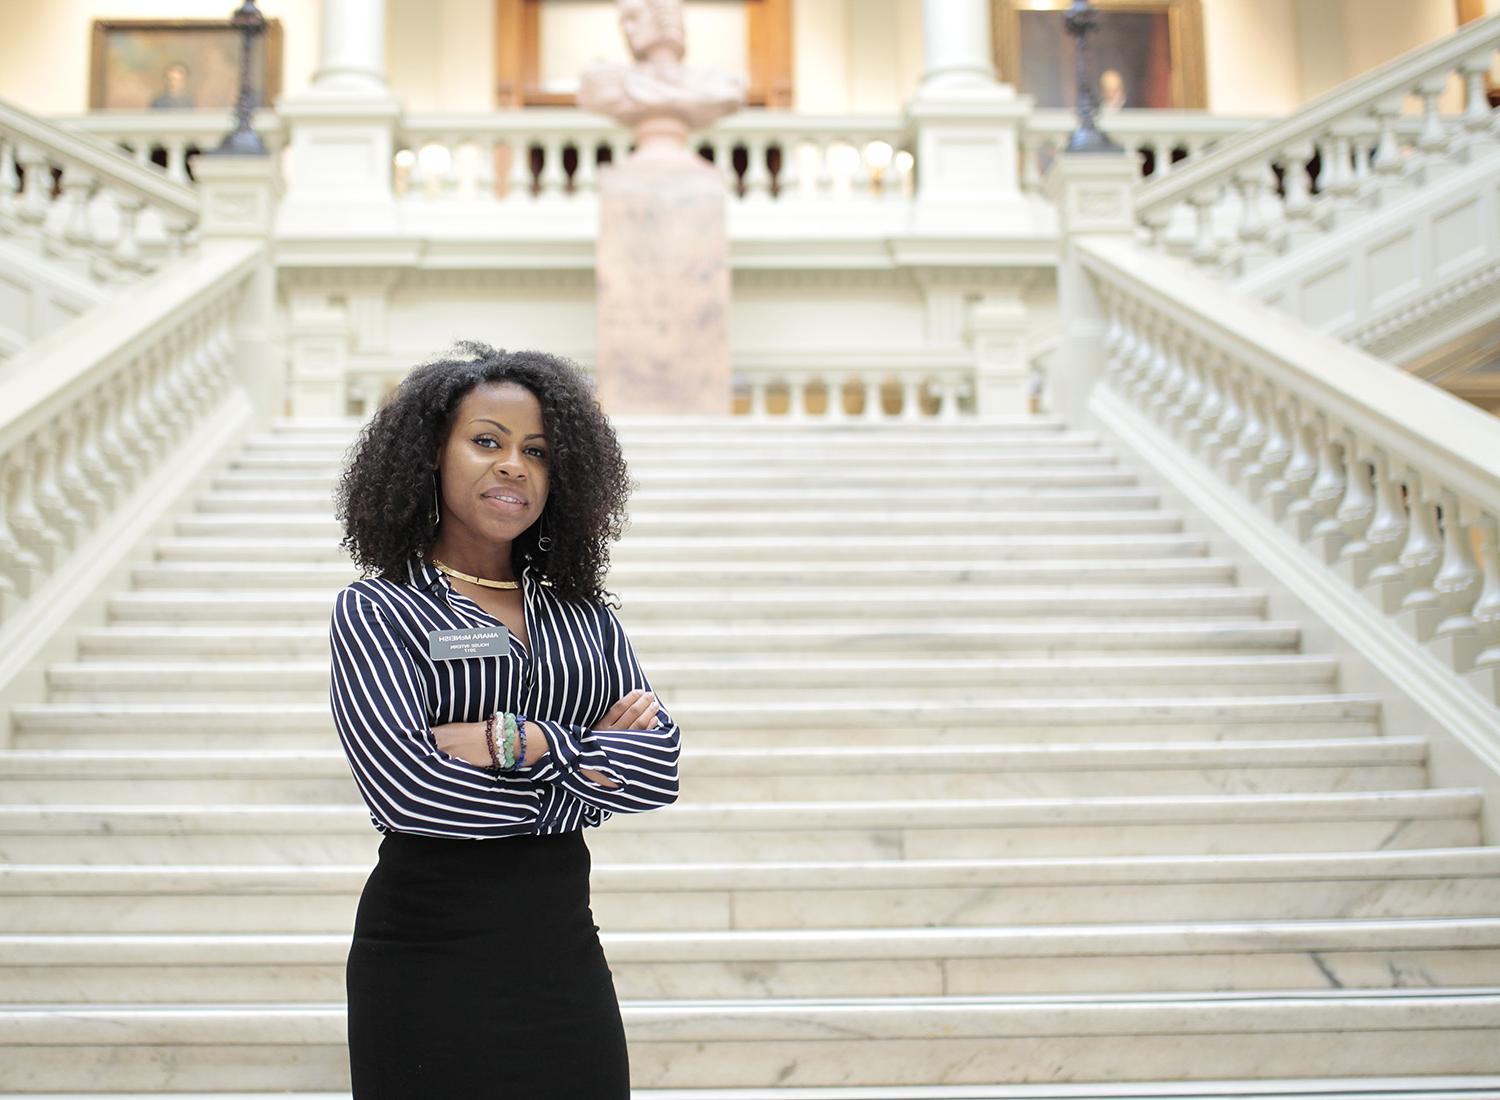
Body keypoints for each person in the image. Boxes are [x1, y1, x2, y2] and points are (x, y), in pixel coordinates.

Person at [328, 341, 682, 1098]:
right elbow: (411, 794)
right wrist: (585, 773)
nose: (513, 465)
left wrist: (516, 741)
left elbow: (661, 768)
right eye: (486, 441)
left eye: (537, 451)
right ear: (431, 453)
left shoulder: (582, 617)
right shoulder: (379, 610)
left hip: (561, 950)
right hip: (427, 950)